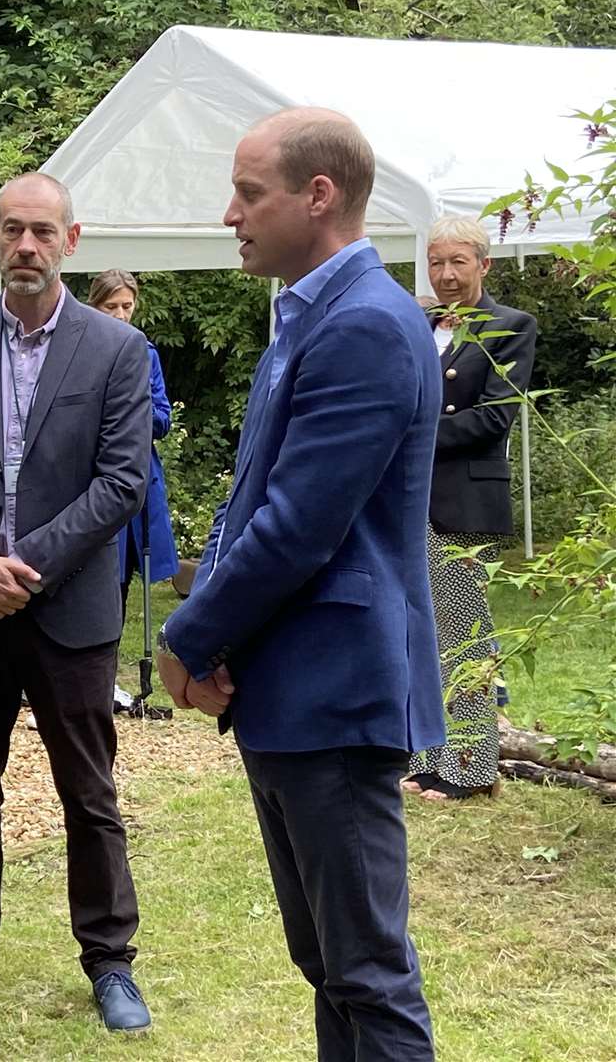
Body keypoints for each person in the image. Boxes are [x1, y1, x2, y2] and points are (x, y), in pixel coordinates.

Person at [157, 109, 443, 1061]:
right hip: (293, 692)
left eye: (248, 194)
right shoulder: (313, 314)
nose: (229, 215)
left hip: (336, 694)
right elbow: (252, 503)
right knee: (330, 965)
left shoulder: (364, 324)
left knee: (368, 974)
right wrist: (218, 639)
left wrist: (187, 640)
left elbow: (296, 529)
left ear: (318, 196)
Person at [0, 172, 155, 1032]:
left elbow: (122, 480)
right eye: (13, 231)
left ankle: (110, 961)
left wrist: (19, 565)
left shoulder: (118, 351)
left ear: (71, 242)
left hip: (68, 610)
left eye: (44, 233)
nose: (27, 248)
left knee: (89, 794)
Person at [404, 214, 537, 802]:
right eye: (437, 262)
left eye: (458, 262)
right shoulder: (419, 321)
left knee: (463, 635)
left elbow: (493, 417)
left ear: (484, 265)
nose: (446, 274)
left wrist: (407, 433)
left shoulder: (512, 326)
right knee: (418, 631)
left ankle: (474, 767)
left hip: (461, 499)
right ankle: (429, 757)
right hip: (407, 499)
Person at [89, 269, 178, 720]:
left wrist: (136, 403)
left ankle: (106, 684)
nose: (122, 314)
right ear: (95, 306)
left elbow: (162, 418)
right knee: (94, 578)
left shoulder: (146, 354)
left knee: (122, 577)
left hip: (137, 482)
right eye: (112, 307)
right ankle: (86, 680)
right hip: (92, 484)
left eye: (127, 306)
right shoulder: (82, 350)